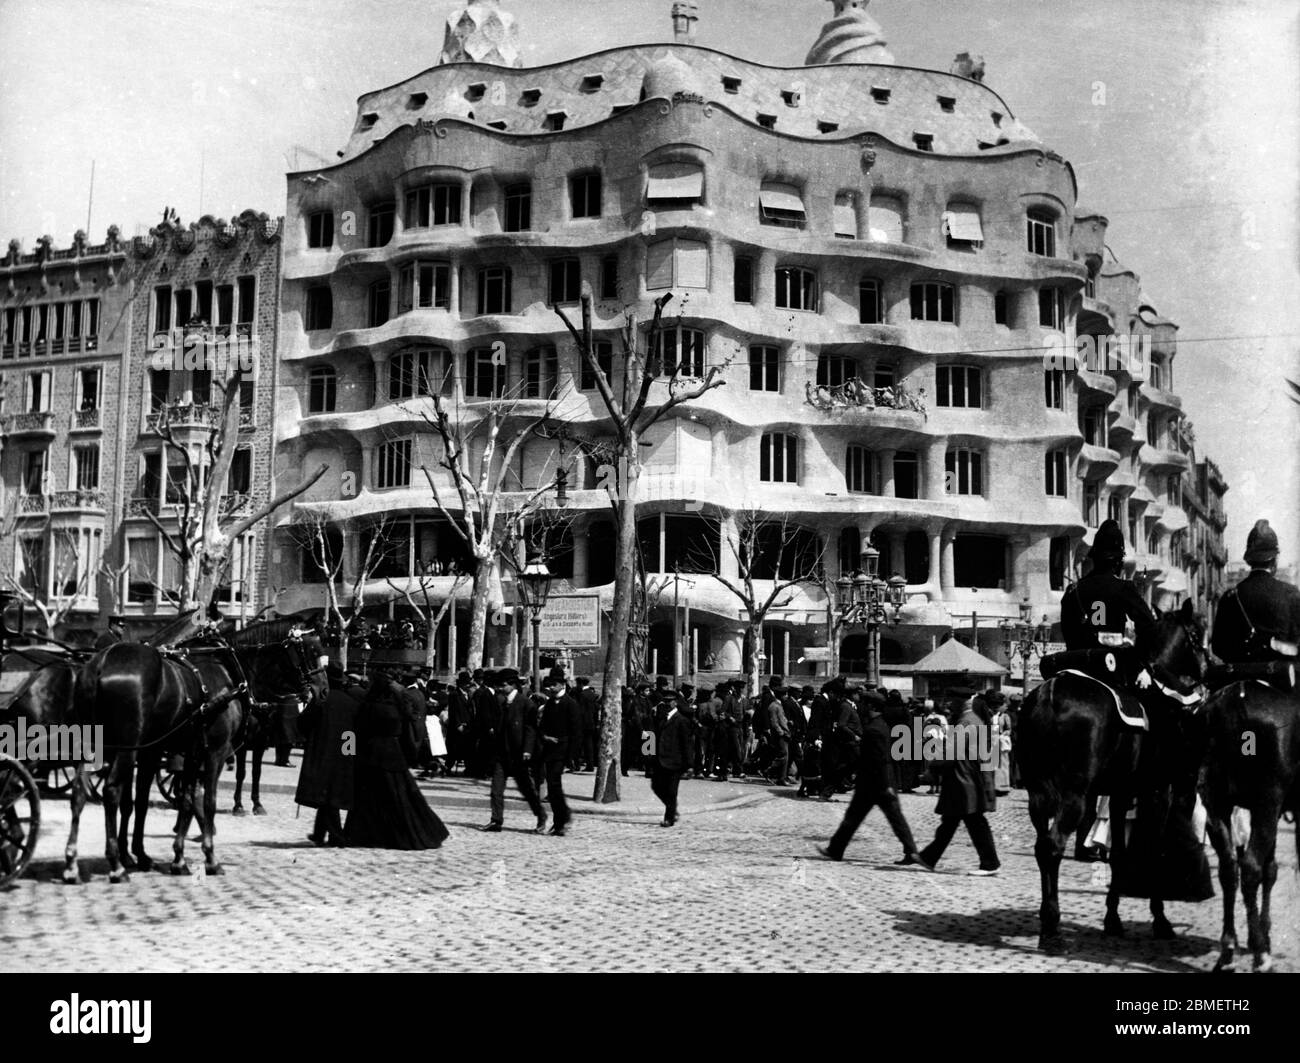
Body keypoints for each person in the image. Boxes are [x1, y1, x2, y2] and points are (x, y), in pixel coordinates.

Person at [820, 687, 929, 866]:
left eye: (864, 704)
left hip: (877, 784)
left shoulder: (874, 730)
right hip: (873, 783)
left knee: (883, 818)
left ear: (871, 706)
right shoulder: (879, 726)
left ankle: (911, 851)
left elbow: (882, 760)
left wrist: (886, 785)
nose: (861, 707)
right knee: (860, 817)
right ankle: (836, 849)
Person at [345, 672, 450, 850]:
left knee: (369, 798)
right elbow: (402, 732)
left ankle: (367, 834)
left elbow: (356, 732)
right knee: (401, 797)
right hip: (393, 755)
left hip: (370, 754)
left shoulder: (367, 706)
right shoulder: (395, 707)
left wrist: (349, 753)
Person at [916, 688, 1000, 875]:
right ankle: (928, 857)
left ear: (960, 700)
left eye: (950, 699)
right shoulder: (971, 718)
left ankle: (990, 863)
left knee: (973, 820)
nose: (947, 703)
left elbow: (951, 750)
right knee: (952, 820)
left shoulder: (967, 720)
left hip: (964, 778)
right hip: (963, 776)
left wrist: (932, 767)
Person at [1060, 519, 1157, 656]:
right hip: (1113, 664)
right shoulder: (1123, 587)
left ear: (1093, 558)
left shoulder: (1073, 590)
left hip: (1077, 661)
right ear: (1118, 562)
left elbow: (1067, 630)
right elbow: (1149, 626)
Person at [1210, 519, 1300, 664]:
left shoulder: (1230, 597)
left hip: (1240, 679)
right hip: (1282, 681)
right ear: (1275, 559)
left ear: (1249, 560)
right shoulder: (1291, 593)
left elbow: (1218, 647)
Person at [296, 667, 361, 847]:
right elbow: (353, 733)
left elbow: (302, 723)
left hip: (322, 754)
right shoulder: (351, 703)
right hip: (343, 754)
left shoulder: (321, 701)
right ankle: (319, 834)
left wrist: (311, 737)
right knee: (330, 794)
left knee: (326, 796)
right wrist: (349, 755)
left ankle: (336, 836)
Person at [480, 669, 548, 835]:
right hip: (501, 754)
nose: (501, 688)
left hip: (519, 755)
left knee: (527, 790)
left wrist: (527, 750)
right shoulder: (501, 703)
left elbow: (531, 728)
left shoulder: (526, 703)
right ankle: (496, 821)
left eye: (503, 685)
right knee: (496, 790)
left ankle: (541, 815)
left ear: (512, 685)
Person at [538, 669, 580, 836]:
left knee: (554, 785)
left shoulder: (570, 704)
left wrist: (571, 757)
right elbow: (542, 726)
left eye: (554, 684)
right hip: (549, 750)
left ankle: (560, 821)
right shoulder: (549, 703)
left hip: (563, 751)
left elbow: (577, 732)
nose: (551, 687)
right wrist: (545, 736)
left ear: (562, 684)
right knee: (553, 786)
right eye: (550, 685)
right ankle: (562, 818)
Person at [653, 688, 693, 827]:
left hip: (676, 761)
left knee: (671, 790)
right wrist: (648, 755)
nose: (666, 703)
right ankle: (673, 809)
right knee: (656, 786)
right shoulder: (661, 717)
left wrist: (689, 764)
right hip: (661, 759)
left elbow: (687, 743)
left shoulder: (681, 720)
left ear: (675, 703)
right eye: (665, 701)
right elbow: (653, 736)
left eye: (670, 701)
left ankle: (669, 818)